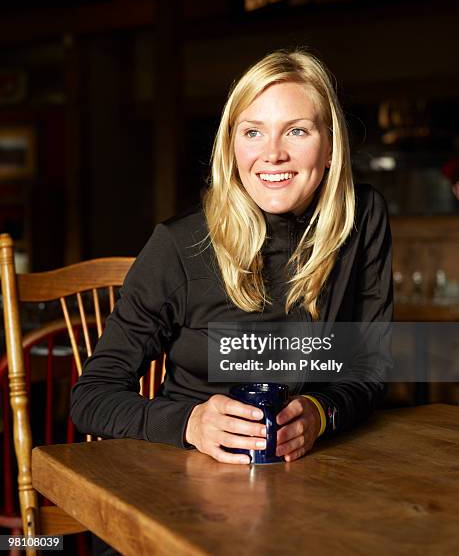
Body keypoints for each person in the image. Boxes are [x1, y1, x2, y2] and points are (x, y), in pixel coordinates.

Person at [71, 49, 393, 465]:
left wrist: (320, 412)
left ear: (330, 147)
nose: (272, 153)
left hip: (309, 475)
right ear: (232, 147)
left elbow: (371, 368)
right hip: (185, 477)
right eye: (253, 132)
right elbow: (91, 398)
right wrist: (189, 423)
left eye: (296, 131)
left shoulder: (362, 218)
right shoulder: (178, 244)